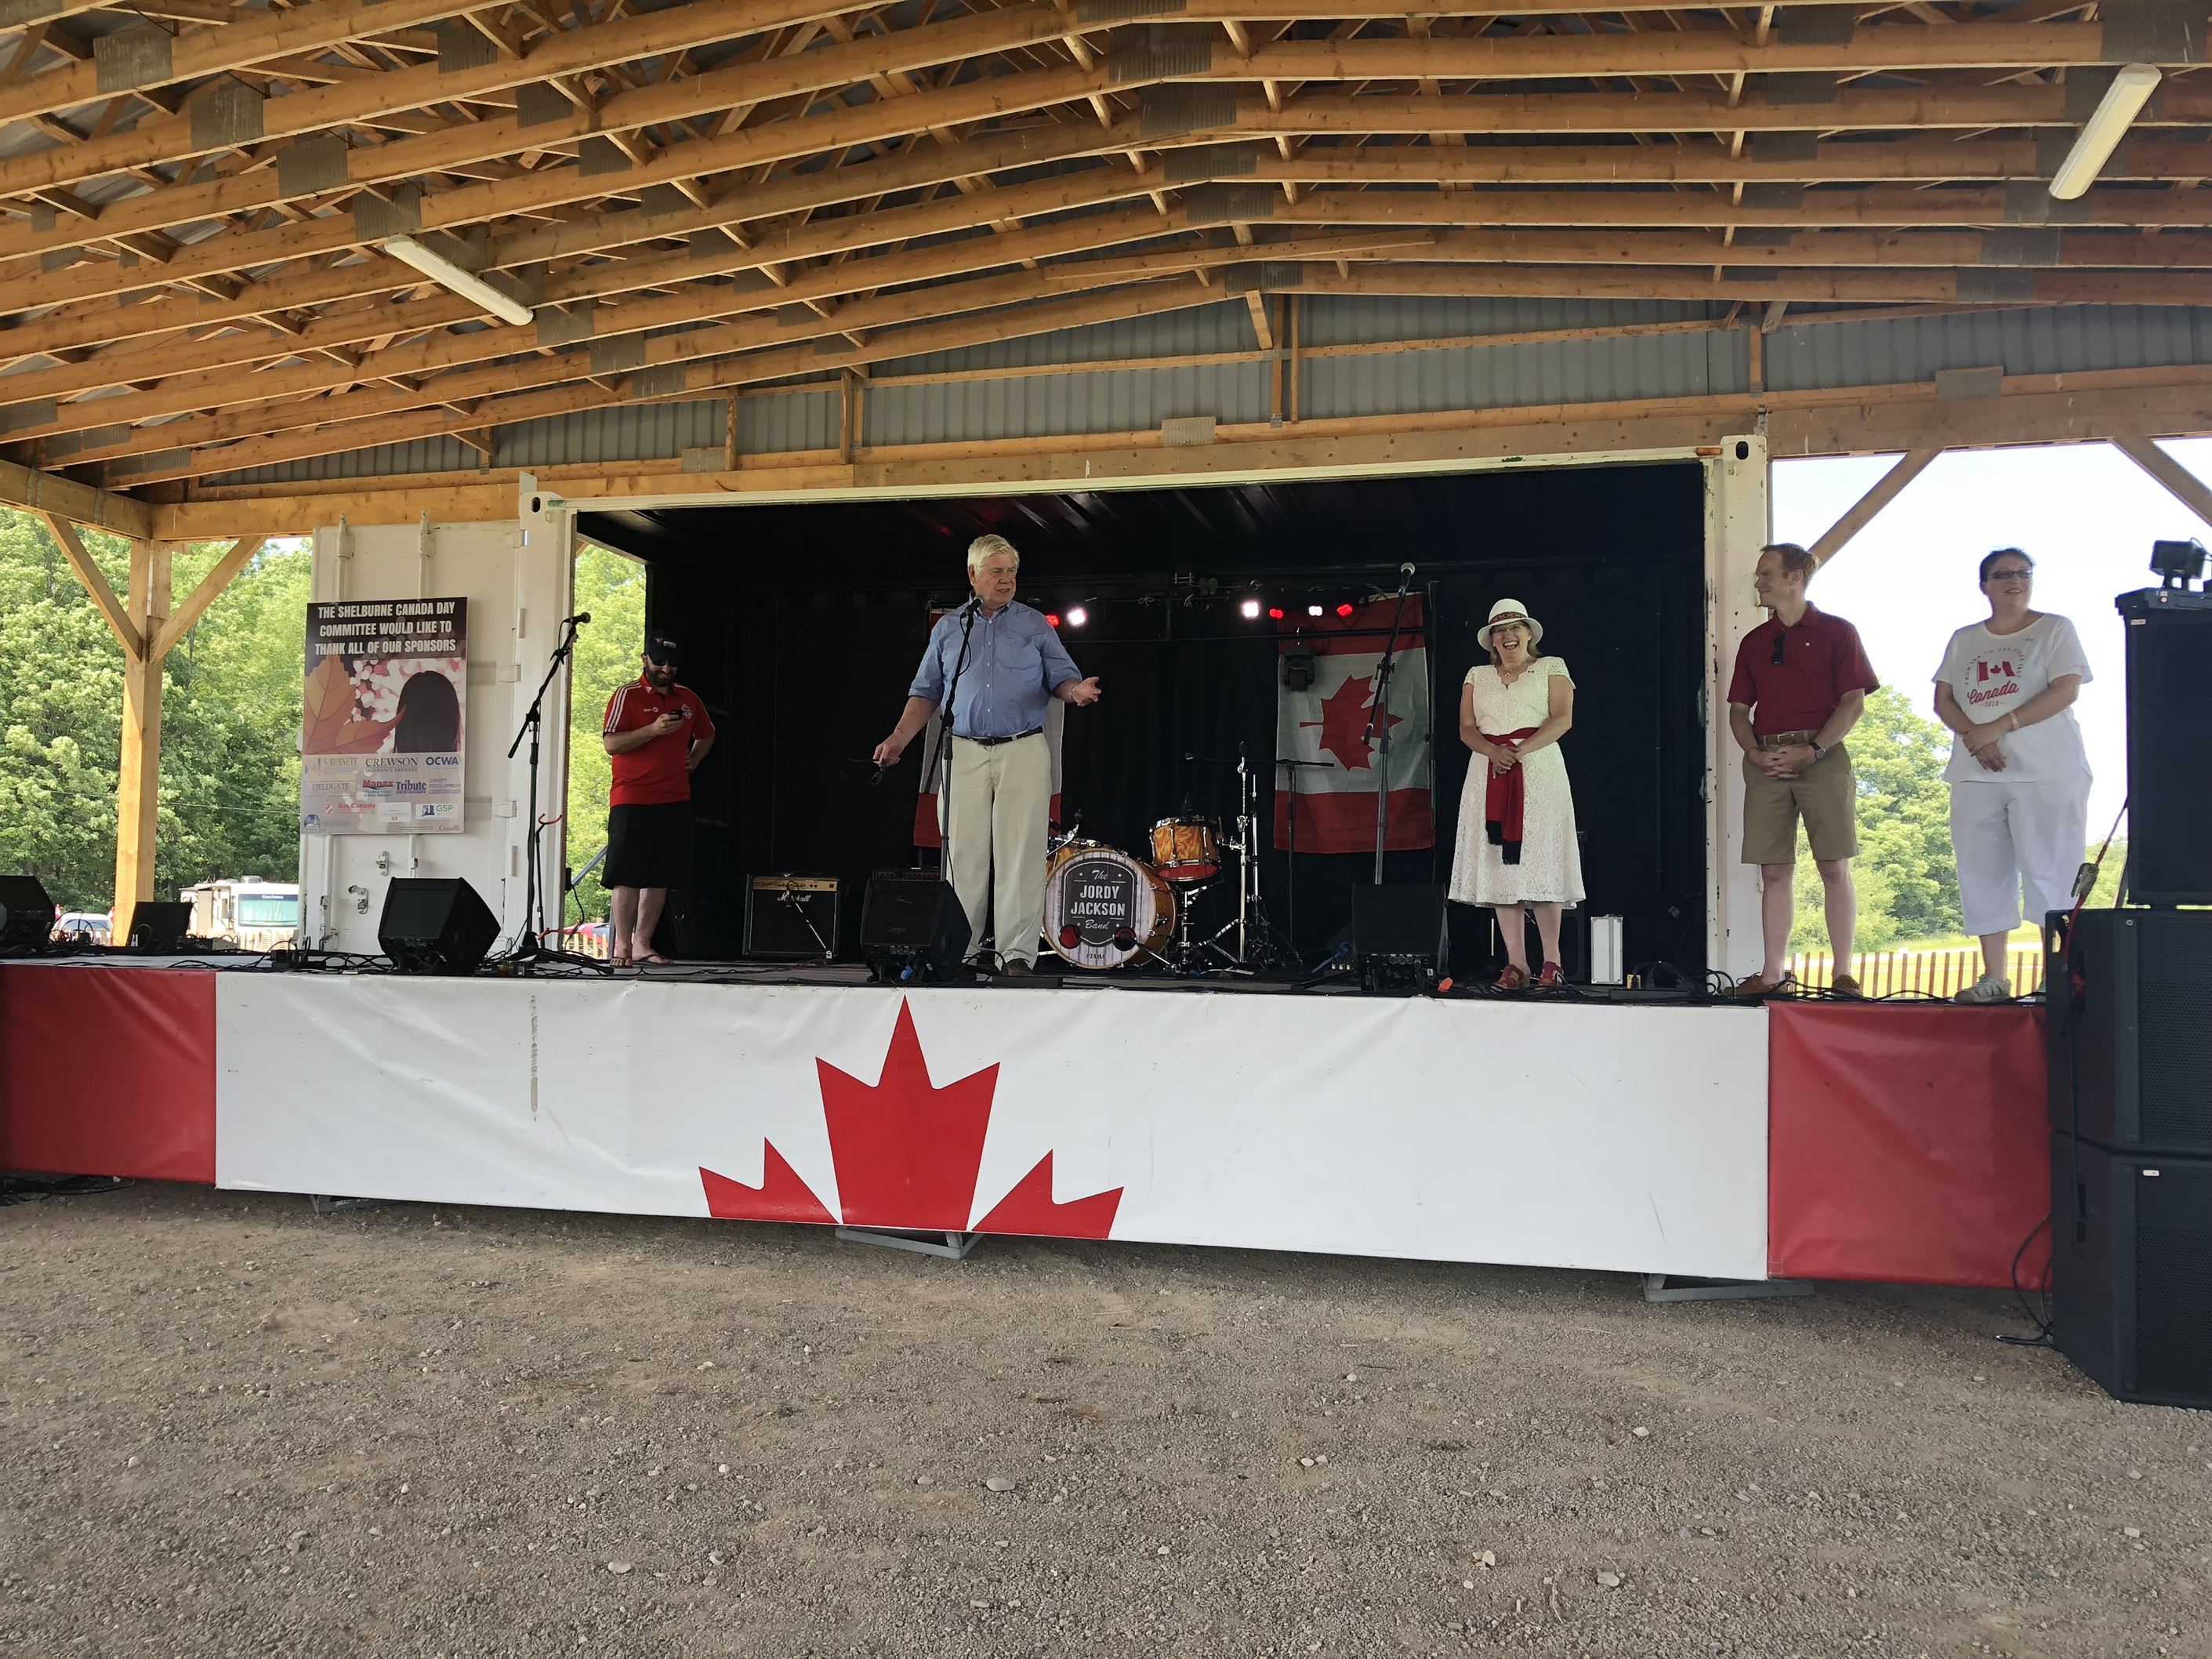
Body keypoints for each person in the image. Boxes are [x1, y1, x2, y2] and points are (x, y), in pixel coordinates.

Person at [872, 534, 1101, 975]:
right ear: (973, 574)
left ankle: (1017, 957)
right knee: (962, 857)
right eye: (997, 571)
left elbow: (1062, 677)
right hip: (963, 752)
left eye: (1012, 571)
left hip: (1022, 749)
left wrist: (1076, 692)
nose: (1007, 580)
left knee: (1021, 855)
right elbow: (926, 691)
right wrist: (899, 738)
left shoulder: (1035, 625)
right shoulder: (949, 628)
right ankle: (959, 953)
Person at [1932, 549, 2091, 1004]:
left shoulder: (2055, 628)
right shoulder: (1965, 638)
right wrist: (1975, 737)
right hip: (1975, 773)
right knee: (1981, 871)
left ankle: (2054, 975)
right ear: (1984, 585)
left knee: (2050, 871)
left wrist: (2000, 727)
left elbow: (2066, 689)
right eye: (2003, 574)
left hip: (2045, 770)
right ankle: (1994, 978)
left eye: (2024, 572)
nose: (2015, 581)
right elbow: (1943, 699)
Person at [1726, 542, 1880, 999]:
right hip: (1766, 759)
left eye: (1766, 573)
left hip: (1822, 757)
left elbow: (1854, 702)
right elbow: (1738, 710)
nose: (1758, 581)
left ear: (1795, 578)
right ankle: (1772, 975)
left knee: (1833, 864)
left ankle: (1843, 974)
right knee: (1773, 871)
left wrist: (1813, 750)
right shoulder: (1754, 641)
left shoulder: (1838, 632)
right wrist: (1753, 752)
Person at [1449, 598, 1583, 989]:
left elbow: (1562, 718)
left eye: (1515, 628)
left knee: (1541, 859)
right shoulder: (1477, 675)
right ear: (1491, 639)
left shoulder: (1551, 667)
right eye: (1500, 631)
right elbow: (1466, 727)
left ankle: (1552, 961)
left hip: (1537, 768)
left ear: (1528, 633)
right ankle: (1517, 964)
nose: (1508, 636)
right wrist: (1493, 752)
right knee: (1500, 864)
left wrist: (1519, 752)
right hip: (1489, 769)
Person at [601, 633, 715, 968]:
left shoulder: (688, 698)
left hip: (675, 797)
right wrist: (652, 730)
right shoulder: (627, 695)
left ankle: (643, 944)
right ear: (645, 659)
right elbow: (611, 744)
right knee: (627, 874)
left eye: (673, 664)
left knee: (661, 875)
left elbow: (707, 733)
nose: (666, 669)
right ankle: (622, 946)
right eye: (660, 662)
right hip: (633, 796)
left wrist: (694, 759)